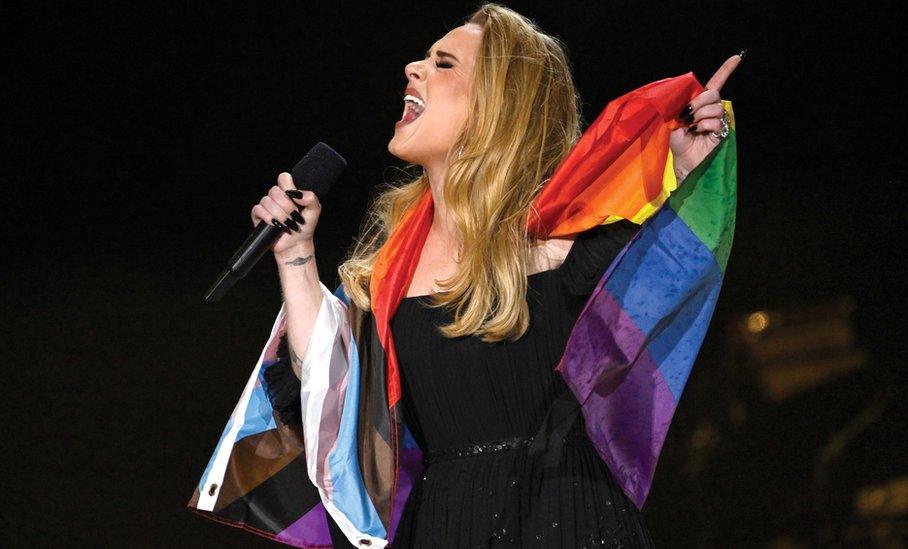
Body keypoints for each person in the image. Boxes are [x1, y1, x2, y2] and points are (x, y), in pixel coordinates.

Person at [187, 3, 740, 547]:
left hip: (570, 521)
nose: (414, 68)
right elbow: (329, 397)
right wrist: (294, 255)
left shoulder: (564, 243)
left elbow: (664, 306)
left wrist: (686, 176)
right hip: (448, 524)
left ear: (501, 103)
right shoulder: (388, 273)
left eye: (444, 62)